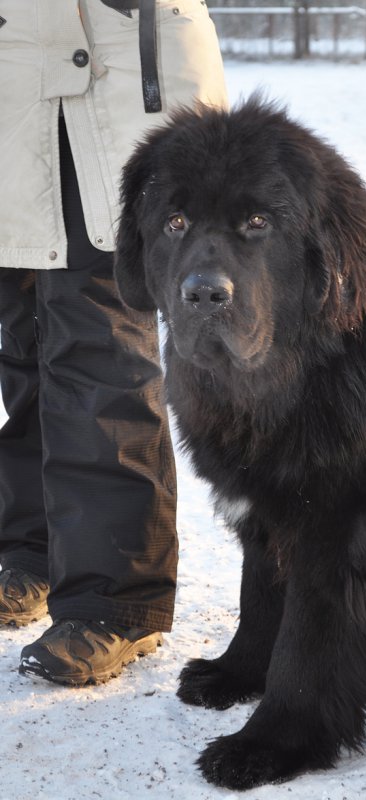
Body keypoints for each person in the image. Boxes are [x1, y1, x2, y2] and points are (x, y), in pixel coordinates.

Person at [0, 0, 228, 686]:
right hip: (14, 67)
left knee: (99, 341)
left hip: (117, 71)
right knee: (23, 329)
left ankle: (114, 598)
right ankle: (31, 550)